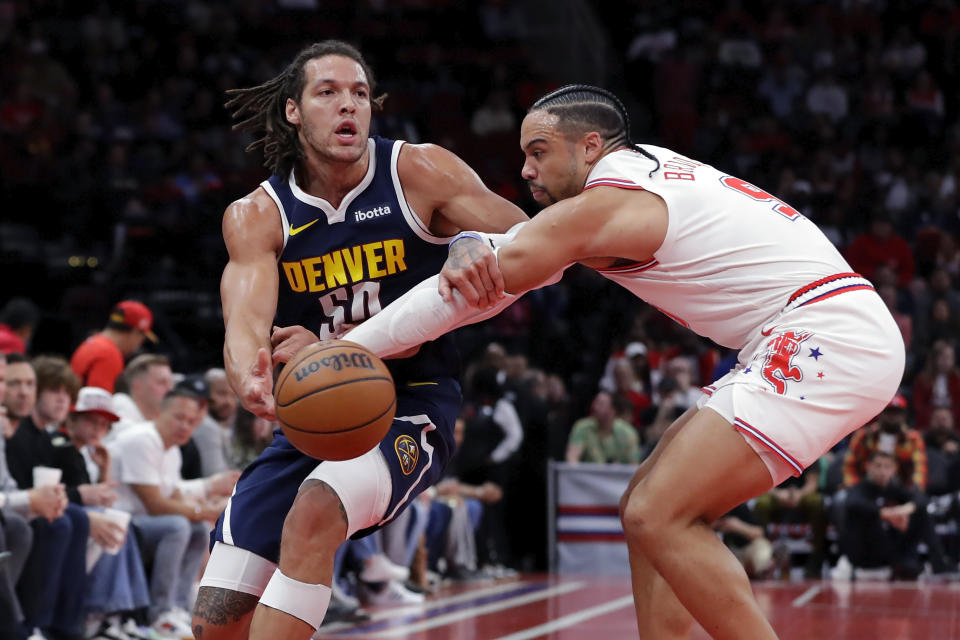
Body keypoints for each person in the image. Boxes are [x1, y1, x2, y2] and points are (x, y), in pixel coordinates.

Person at [345, 84, 905, 638]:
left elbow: (482, 286)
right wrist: (476, 241)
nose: (526, 171)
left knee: (659, 513)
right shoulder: (651, 168)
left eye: (538, 152)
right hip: (817, 329)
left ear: (590, 147)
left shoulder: (611, 203)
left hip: (826, 334)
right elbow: (516, 256)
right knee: (642, 508)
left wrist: (347, 350)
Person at [191, 40, 528, 640]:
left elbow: (534, 241)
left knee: (317, 511)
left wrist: (469, 244)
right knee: (216, 622)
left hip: (409, 402)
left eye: (360, 94)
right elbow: (244, 323)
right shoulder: (258, 215)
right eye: (328, 93)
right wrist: (250, 374)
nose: (349, 106)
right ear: (294, 110)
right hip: (311, 411)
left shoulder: (418, 171)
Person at [110, 387, 226, 637]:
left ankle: (179, 606)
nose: (185, 426)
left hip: (143, 522)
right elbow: (155, 504)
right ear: (158, 413)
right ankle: (160, 612)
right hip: (120, 519)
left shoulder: (172, 450)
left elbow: (173, 496)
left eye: (191, 421)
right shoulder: (142, 439)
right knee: (177, 526)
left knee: (196, 528)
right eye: (178, 417)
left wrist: (207, 510)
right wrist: (204, 510)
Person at [70, 300, 158, 393]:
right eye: (143, 338)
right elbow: (99, 404)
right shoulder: (109, 354)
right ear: (136, 332)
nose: (139, 344)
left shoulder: (91, 342)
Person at [565, 391, 641, 464]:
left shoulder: (628, 433)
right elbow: (571, 458)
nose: (594, 407)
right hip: (587, 476)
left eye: (600, 404)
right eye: (595, 402)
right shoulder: (582, 427)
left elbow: (634, 465)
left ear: (613, 411)